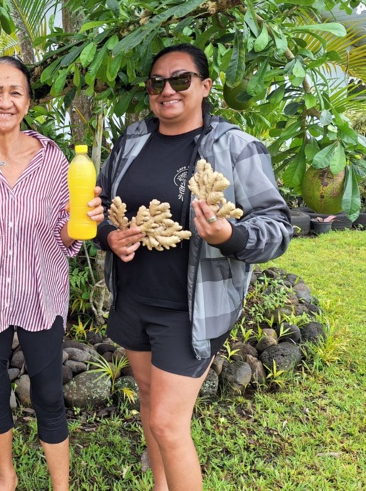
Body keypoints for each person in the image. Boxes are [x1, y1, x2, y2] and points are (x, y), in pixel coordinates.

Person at [95, 43, 292, 490]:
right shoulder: (132, 141)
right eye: (157, 82)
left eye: (180, 79)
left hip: (193, 309)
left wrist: (230, 236)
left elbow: (278, 228)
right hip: (134, 297)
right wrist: (109, 235)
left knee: (167, 424)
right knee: (148, 401)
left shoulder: (237, 147)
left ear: (204, 87)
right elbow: (100, 203)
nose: (168, 90)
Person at [0, 56, 104, 491]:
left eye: (15, 92)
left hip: (39, 294)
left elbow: (68, 238)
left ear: (27, 103)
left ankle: (60, 486)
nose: (4, 101)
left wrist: (82, 222)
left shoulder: (53, 161)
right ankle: (6, 478)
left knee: (48, 393)